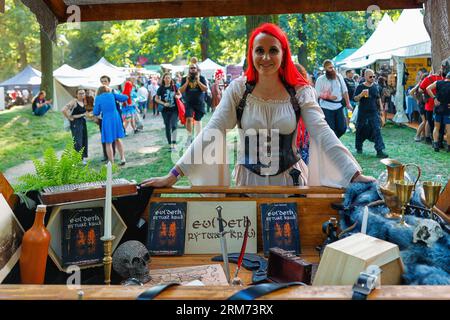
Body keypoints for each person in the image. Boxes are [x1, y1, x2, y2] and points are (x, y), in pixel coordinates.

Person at [142, 23, 374, 189]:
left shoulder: (300, 91)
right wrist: (174, 174)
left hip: (289, 182)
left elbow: (323, 133)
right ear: (251, 53)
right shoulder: (239, 89)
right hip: (248, 183)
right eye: (259, 50)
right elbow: (212, 132)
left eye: (273, 50)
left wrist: (353, 173)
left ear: (283, 54)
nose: (265, 57)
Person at [354, 69, 388, 158]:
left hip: (373, 112)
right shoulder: (360, 87)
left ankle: (379, 150)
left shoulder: (375, 86)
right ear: (365, 77)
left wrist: (381, 110)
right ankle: (359, 147)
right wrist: (361, 94)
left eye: (374, 76)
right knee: (360, 129)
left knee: (377, 129)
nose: (372, 78)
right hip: (363, 113)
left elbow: (378, 98)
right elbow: (355, 99)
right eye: (370, 76)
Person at [314, 60, 353, 138]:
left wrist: (348, 103)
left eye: (333, 67)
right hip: (326, 107)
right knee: (331, 129)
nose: (332, 69)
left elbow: (345, 90)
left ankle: (333, 141)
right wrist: (328, 96)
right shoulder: (320, 79)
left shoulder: (339, 77)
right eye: (330, 68)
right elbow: (316, 93)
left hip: (339, 106)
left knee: (342, 128)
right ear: (325, 69)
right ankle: (333, 145)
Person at [93, 85, 128, 165]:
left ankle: (111, 163)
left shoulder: (98, 98)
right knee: (117, 139)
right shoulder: (112, 94)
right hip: (116, 118)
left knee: (108, 142)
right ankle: (123, 158)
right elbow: (125, 97)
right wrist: (113, 93)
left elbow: (96, 112)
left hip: (107, 119)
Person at [179, 57, 208, 143]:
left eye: (194, 68)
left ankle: (198, 138)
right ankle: (189, 137)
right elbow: (181, 90)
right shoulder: (185, 78)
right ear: (189, 70)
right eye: (191, 68)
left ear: (196, 69)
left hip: (199, 102)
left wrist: (198, 81)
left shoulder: (201, 78)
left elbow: (205, 89)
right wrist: (187, 82)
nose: (192, 69)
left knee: (198, 120)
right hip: (189, 102)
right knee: (188, 119)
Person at [419, 65, 445, 148]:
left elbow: (420, 89)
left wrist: (427, 93)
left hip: (430, 105)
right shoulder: (443, 79)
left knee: (431, 123)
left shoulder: (428, 78)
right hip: (440, 105)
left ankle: (433, 140)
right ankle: (439, 142)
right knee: (440, 125)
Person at [62, 89, 89, 164]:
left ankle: (82, 158)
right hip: (76, 123)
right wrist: (69, 118)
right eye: (80, 93)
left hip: (82, 122)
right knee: (78, 141)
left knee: (83, 139)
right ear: (76, 94)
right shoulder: (74, 101)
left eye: (83, 93)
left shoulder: (83, 101)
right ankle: (77, 159)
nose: (82, 95)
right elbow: (63, 110)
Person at [426, 71, 450, 152]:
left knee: (436, 127)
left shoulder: (438, 82)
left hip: (438, 108)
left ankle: (436, 145)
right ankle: (449, 147)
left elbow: (428, 88)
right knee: (448, 128)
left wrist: (434, 98)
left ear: (446, 77)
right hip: (447, 109)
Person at [155, 73, 180, 151]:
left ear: (171, 79)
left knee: (174, 126)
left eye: (169, 78)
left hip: (174, 110)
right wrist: (163, 103)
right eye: (166, 78)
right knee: (167, 127)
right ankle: (170, 144)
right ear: (163, 79)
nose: (167, 79)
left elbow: (180, 95)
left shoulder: (174, 87)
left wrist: (177, 96)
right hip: (165, 111)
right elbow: (156, 99)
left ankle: (174, 143)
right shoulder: (161, 88)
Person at [409, 72, 429, 142]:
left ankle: (422, 135)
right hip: (422, 105)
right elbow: (411, 92)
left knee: (425, 121)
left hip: (422, 104)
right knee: (424, 121)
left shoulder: (421, 84)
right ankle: (417, 135)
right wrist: (417, 99)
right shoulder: (421, 84)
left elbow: (412, 92)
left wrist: (417, 99)